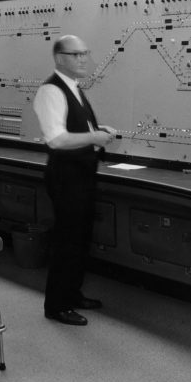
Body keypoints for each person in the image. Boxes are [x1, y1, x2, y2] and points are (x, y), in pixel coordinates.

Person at [32, 35, 116, 326]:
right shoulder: (51, 91)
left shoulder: (74, 88)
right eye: (76, 54)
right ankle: (56, 305)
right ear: (59, 58)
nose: (83, 59)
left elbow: (74, 129)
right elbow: (56, 139)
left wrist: (96, 130)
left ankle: (72, 293)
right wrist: (93, 137)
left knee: (80, 238)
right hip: (66, 177)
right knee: (67, 240)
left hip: (82, 174)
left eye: (85, 53)